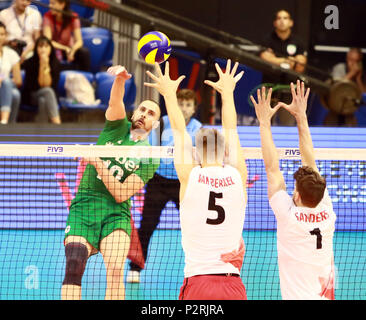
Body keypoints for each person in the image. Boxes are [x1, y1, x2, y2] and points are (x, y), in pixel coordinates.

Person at [145, 60, 247, 300]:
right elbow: (231, 130)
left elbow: (180, 131)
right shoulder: (237, 176)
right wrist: (228, 94)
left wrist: (169, 95)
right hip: (232, 285)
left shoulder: (190, 177)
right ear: (224, 153)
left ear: (196, 154)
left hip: (198, 283)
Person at [61, 65, 161, 300]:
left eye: (151, 114)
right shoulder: (117, 127)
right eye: (142, 110)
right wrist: (120, 80)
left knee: (115, 271)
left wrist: (97, 162)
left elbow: (122, 193)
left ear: (155, 124)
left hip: (116, 213)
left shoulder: (151, 156)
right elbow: (115, 103)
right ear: (134, 113)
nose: (144, 115)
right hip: (84, 207)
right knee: (74, 264)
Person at [250, 80, 336, 300]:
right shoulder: (327, 211)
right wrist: (302, 117)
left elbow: (271, 167)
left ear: (296, 195)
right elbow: (310, 162)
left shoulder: (289, 216)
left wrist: (264, 122)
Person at [127, 89, 202, 283]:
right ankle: (135, 268)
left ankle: (201, 266)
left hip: (183, 182)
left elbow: (201, 157)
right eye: (181, 104)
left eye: (188, 104)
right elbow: (149, 149)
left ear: (194, 109)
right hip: (158, 181)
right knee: (147, 226)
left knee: (193, 225)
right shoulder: (162, 124)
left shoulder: (198, 128)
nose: (184, 108)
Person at [22, 35, 62, 124]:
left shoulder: (56, 63)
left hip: (49, 95)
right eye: (40, 46)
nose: (43, 49)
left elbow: (50, 85)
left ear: (51, 48)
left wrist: (46, 65)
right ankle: (57, 124)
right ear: (36, 48)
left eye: (46, 46)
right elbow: (35, 86)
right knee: (47, 91)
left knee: (43, 100)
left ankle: (41, 130)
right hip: (32, 95)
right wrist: (41, 66)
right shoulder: (30, 62)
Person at [43, 0, 91, 71]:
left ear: (62, 5)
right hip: (54, 49)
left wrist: (72, 50)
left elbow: (79, 41)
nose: (50, 6)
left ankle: (85, 77)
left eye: (53, 3)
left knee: (84, 52)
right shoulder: (47, 16)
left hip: (68, 49)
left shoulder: (73, 16)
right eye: (50, 3)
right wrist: (65, 48)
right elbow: (48, 41)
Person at [260, 9, 307, 73]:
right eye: (279, 18)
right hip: (270, 80)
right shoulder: (267, 40)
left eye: (285, 18)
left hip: (291, 80)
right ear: (275, 23)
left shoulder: (299, 42)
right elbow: (265, 61)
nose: (282, 21)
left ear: (291, 23)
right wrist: (286, 61)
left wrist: (275, 60)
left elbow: (300, 66)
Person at [0, 0, 42, 64]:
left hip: (29, 50)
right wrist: (10, 42)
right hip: (9, 48)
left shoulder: (35, 14)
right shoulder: (3, 14)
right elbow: (1, 37)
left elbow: (37, 39)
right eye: (22, 0)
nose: (25, 3)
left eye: (28, 0)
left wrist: (27, 51)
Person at [0, 22, 22, 124]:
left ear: (5, 36)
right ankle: (7, 123)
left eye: (2, 34)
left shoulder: (11, 53)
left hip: (5, 86)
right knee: (15, 94)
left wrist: (3, 79)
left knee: (10, 86)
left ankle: (6, 122)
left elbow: (18, 80)